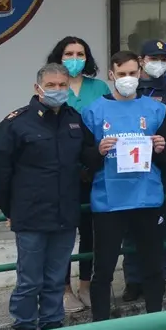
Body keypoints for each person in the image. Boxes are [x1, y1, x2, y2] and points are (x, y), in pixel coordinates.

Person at [0, 63, 96, 330]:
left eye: (63, 85)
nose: (58, 90)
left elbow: (87, 158)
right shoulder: (16, 124)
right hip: (30, 216)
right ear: (38, 88)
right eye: (52, 85)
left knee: (55, 279)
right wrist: (9, 209)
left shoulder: (74, 120)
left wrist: (102, 151)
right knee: (29, 281)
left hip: (64, 215)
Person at [80, 51, 166, 330]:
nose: (128, 79)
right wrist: (97, 150)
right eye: (122, 73)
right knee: (104, 269)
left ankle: (154, 327)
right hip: (108, 200)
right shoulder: (93, 111)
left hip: (146, 197)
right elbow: (82, 158)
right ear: (112, 74)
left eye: (134, 73)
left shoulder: (155, 109)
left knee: (153, 264)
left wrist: (161, 147)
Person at [46, 36, 110, 313]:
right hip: (61, 176)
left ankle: (86, 285)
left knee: (90, 232)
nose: (75, 58)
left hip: (93, 171)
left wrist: (89, 166)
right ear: (59, 57)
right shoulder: (53, 89)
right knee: (62, 234)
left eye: (80, 53)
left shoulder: (100, 88)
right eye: (69, 53)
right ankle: (64, 290)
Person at [121, 40, 166, 303]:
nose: (158, 62)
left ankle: (160, 271)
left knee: (161, 222)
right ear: (141, 60)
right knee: (130, 225)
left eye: (163, 58)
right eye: (153, 57)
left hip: (163, 165)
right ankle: (133, 279)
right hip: (131, 166)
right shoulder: (129, 88)